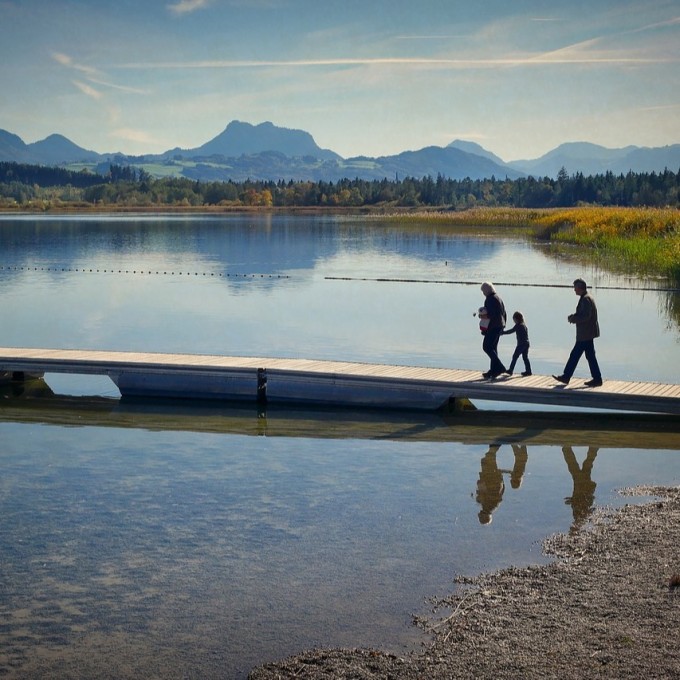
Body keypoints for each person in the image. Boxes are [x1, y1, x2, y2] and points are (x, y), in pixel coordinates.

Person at [553, 278, 603, 387]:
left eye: (575, 287)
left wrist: (573, 319)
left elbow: (586, 316)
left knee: (575, 355)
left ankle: (566, 377)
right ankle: (597, 379)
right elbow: (584, 315)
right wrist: (574, 316)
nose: (574, 290)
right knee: (590, 356)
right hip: (588, 333)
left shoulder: (585, 299)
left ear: (580, 288)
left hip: (585, 334)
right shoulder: (586, 297)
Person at [480, 281, 507, 378]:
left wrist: (482, 316)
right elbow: (504, 313)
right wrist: (504, 325)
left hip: (493, 326)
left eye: (483, 291)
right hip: (499, 325)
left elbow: (491, 315)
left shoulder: (489, 299)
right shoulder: (498, 298)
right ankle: (494, 370)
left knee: (486, 347)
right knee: (493, 348)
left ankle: (499, 367)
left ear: (486, 290)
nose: (483, 293)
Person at [502, 311, 532, 376]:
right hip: (526, 343)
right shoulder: (524, 325)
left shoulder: (518, 326)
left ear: (517, 319)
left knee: (515, 356)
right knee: (525, 358)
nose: (514, 321)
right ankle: (528, 371)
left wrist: (502, 333)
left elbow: (510, 331)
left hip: (521, 344)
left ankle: (510, 370)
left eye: (514, 319)